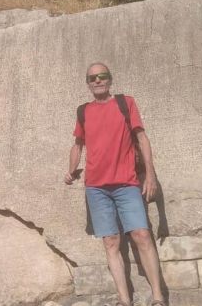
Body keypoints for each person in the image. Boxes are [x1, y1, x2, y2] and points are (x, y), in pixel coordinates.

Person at [64, 62, 165, 306]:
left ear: (110, 79)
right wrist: (70, 171)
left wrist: (150, 174)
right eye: (92, 78)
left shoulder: (125, 103)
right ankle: (124, 300)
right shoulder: (83, 111)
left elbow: (142, 138)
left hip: (126, 183)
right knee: (110, 242)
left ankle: (158, 298)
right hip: (96, 188)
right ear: (88, 84)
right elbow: (78, 145)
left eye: (102, 76)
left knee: (142, 235)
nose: (97, 80)